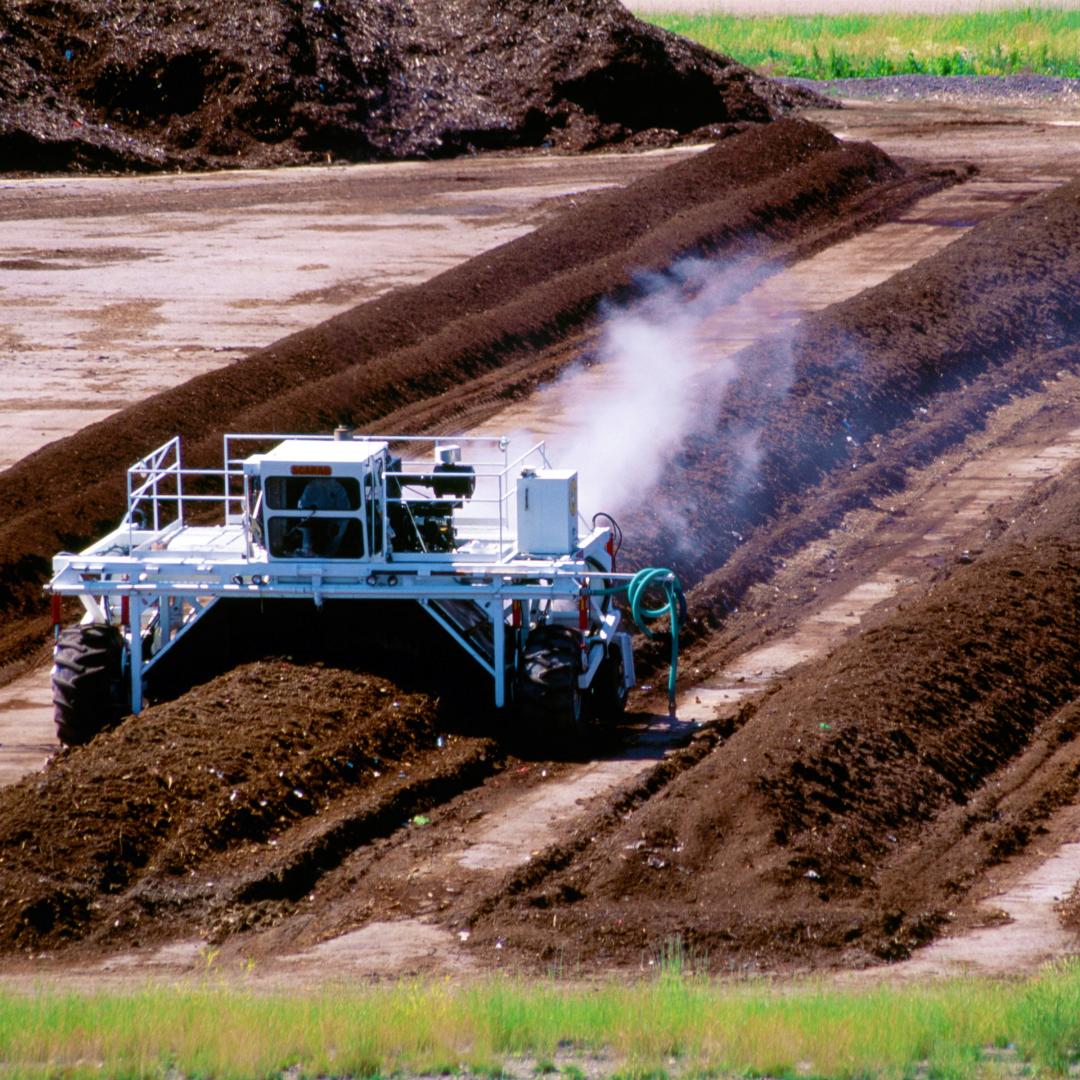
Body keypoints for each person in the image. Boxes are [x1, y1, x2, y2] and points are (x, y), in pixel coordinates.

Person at [296, 477, 350, 557]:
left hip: (332, 525)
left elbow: (345, 511)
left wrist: (337, 525)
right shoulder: (311, 487)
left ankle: (329, 554)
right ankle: (308, 551)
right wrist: (310, 510)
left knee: (333, 545)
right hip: (314, 522)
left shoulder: (338, 489)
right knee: (307, 534)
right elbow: (302, 506)